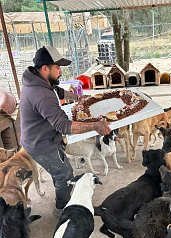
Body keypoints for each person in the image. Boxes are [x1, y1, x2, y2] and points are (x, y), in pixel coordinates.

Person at [19, 46, 111, 216]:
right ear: (45, 68)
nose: (61, 72)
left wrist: (77, 98)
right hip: (41, 144)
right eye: (58, 68)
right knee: (64, 173)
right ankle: (62, 209)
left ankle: (63, 198)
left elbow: (57, 91)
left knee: (60, 170)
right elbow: (63, 125)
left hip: (39, 136)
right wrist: (95, 126)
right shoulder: (41, 94)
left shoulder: (38, 80)